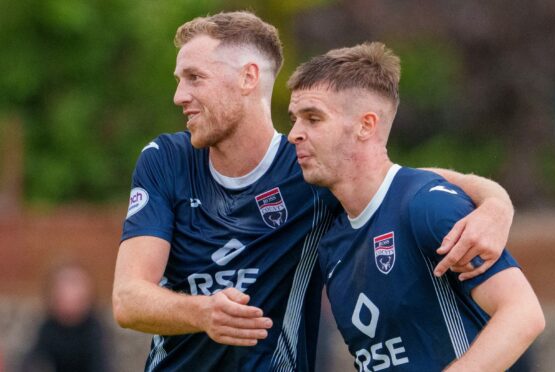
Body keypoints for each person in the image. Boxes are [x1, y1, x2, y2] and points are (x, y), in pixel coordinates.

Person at [112, 11, 515, 371]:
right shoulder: (166, 159)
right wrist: (203, 313)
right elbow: (128, 300)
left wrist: (496, 204)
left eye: (194, 78)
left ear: (248, 78)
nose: (179, 95)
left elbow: (396, 180)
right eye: (180, 80)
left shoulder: (309, 168)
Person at [287, 42, 545, 371]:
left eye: (313, 118)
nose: (295, 133)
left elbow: (523, 314)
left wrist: (497, 203)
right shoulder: (331, 233)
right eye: (295, 119)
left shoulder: (426, 205)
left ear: (366, 125)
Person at [21, 262, 110, 372]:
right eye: (64, 287)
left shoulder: (95, 331)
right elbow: (32, 361)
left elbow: (102, 365)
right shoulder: (47, 329)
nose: (71, 295)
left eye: (76, 285)